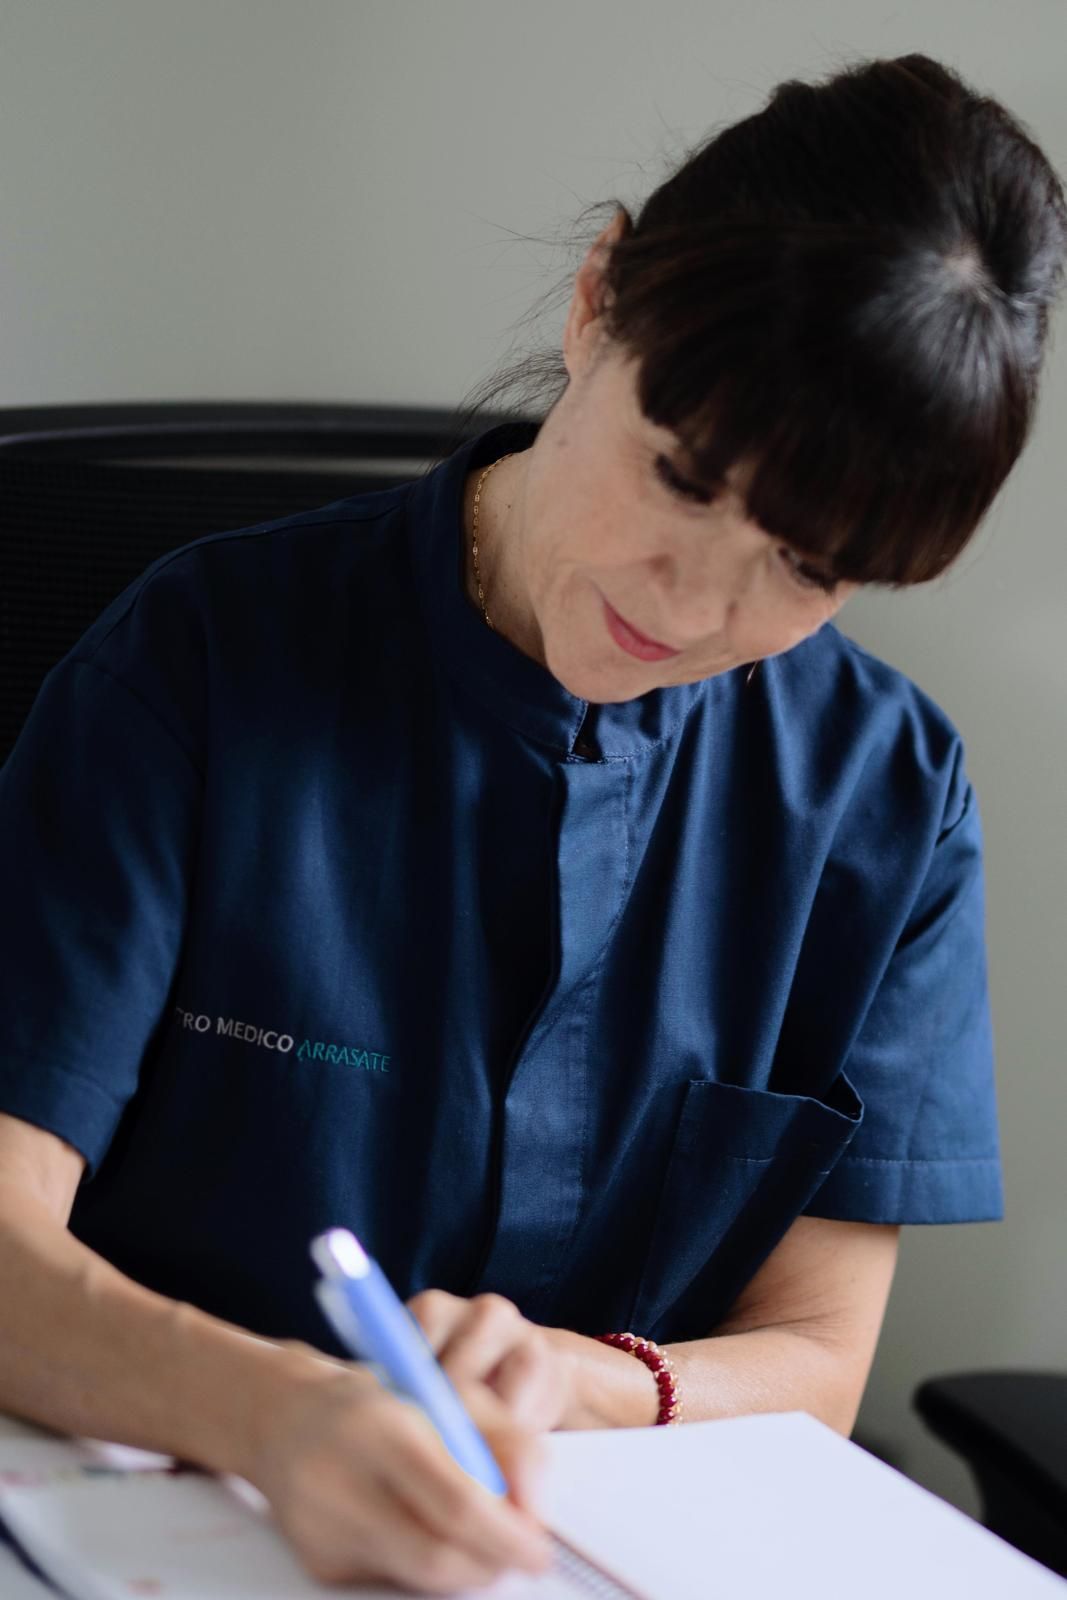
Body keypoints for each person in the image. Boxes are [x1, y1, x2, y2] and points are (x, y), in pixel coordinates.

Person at [0, 49, 1065, 1595]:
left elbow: (819, 1358)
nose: (696, 605)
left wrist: (575, 1381)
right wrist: (276, 1415)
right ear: (596, 303)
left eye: (807, 569)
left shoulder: (888, 796)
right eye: (681, 477)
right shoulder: (200, 662)